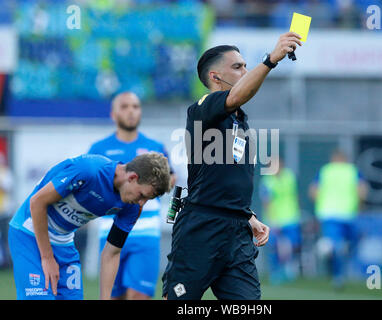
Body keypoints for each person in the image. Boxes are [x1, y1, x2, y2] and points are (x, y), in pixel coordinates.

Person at [162, 31, 303, 300]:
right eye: (237, 67)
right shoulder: (202, 107)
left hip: (237, 232)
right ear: (215, 77)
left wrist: (248, 216)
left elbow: (224, 178)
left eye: (245, 66)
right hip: (201, 229)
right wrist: (271, 60)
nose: (245, 71)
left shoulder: (240, 122)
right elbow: (237, 96)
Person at [8, 152, 171, 300]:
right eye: (142, 195)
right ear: (132, 177)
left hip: (63, 242)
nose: (141, 202)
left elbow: (112, 253)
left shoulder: (133, 206)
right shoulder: (89, 170)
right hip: (29, 234)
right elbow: (37, 202)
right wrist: (47, 258)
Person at [87, 91, 176, 300]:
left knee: (138, 296)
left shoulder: (154, 148)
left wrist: (154, 183)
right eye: (125, 106)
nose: (131, 112)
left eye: (135, 106)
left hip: (145, 232)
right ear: (113, 114)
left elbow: (171, 179)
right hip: (109, 231)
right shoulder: (99, 148)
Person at [309, 149, 368, 290]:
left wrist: (320, 204)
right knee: (351, 243)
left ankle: (327, 251)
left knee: (337, 246)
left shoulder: (325, 170)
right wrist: (360, 206)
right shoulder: (352, 170)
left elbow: (313, 191)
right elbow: (362, 190)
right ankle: (338, 272)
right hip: (348, 213)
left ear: (333, 158)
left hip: (329, 213)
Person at [260, 158, 302, 285]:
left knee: (294, 245)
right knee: (274, 247)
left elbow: (295, 195)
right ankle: (276, 272)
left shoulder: (289, 177)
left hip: (291, 217)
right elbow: (266, 202)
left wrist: (298, 212)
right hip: (275, 220)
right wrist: (272, 220)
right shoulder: (267, 181)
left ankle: (288, 268)